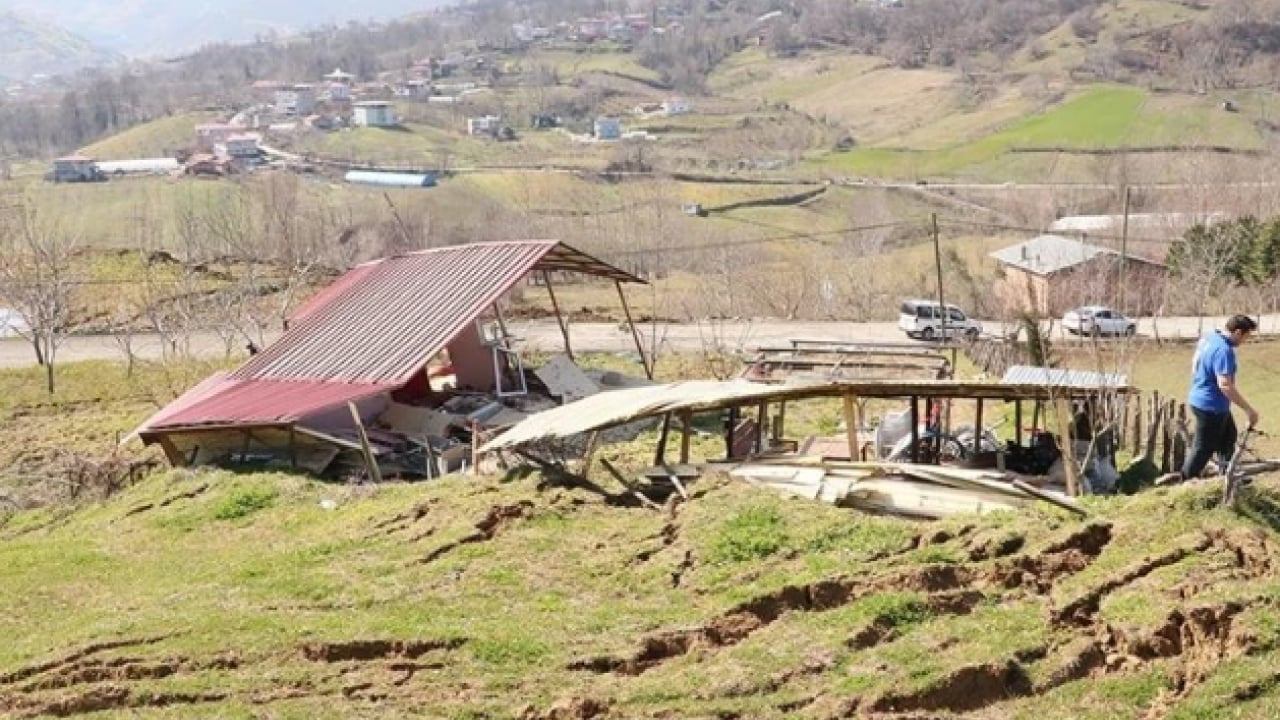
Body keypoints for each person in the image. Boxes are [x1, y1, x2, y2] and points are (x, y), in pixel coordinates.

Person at [1158, 314, 1259, 484]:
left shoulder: (1210, 338)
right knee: (1203, 447)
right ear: (1238, 332)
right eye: (1246, 336)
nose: (1245, 341)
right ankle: (1185, 481)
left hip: (1205, 399)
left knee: (1228, 437)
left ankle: (1228, 475)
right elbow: (1225, 384)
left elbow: (1196, 364)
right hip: (1211, 405)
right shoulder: (1224, 350)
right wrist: (1249, 410)